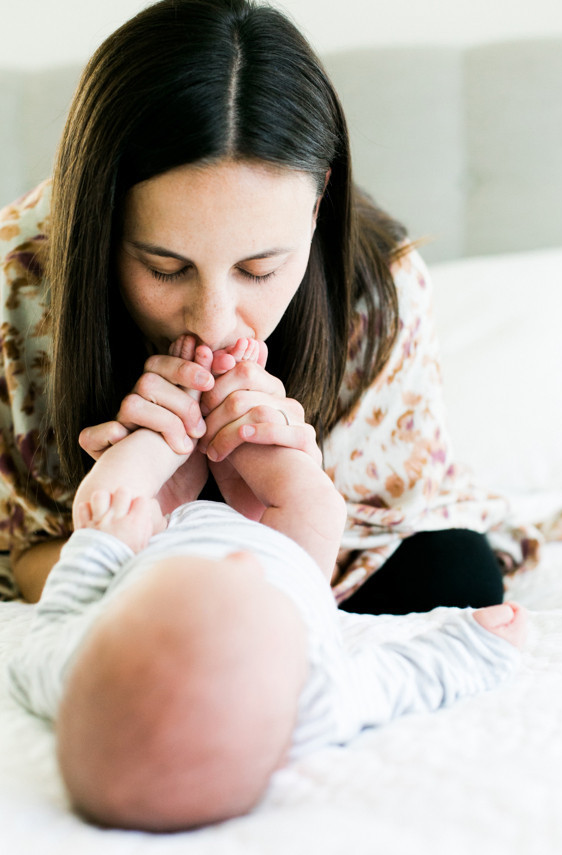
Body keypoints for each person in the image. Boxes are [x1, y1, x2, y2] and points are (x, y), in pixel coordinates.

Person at [0, 0, 529, 609]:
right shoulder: (21, 279)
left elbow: (381, 524)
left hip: (332, 555)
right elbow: (23, 556)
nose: (215, 322)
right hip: (107, 550)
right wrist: (122, 519)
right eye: (165, 269)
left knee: (456, 573)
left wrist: (295, 497)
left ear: (318, 203)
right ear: (101, 221)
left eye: (259, 270)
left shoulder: (380, 290)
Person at [8, 338, 527, 831]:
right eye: (246, 587)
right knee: (317, 505)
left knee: (106, 500)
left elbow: (61, 610)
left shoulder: (67, 672)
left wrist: (107, 542)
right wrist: (477, 644)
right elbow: (403, 677)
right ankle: (244, 402)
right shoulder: (311, 700)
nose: (238, 560)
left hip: (155, 534)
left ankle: (177, 417)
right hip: (288, 545)